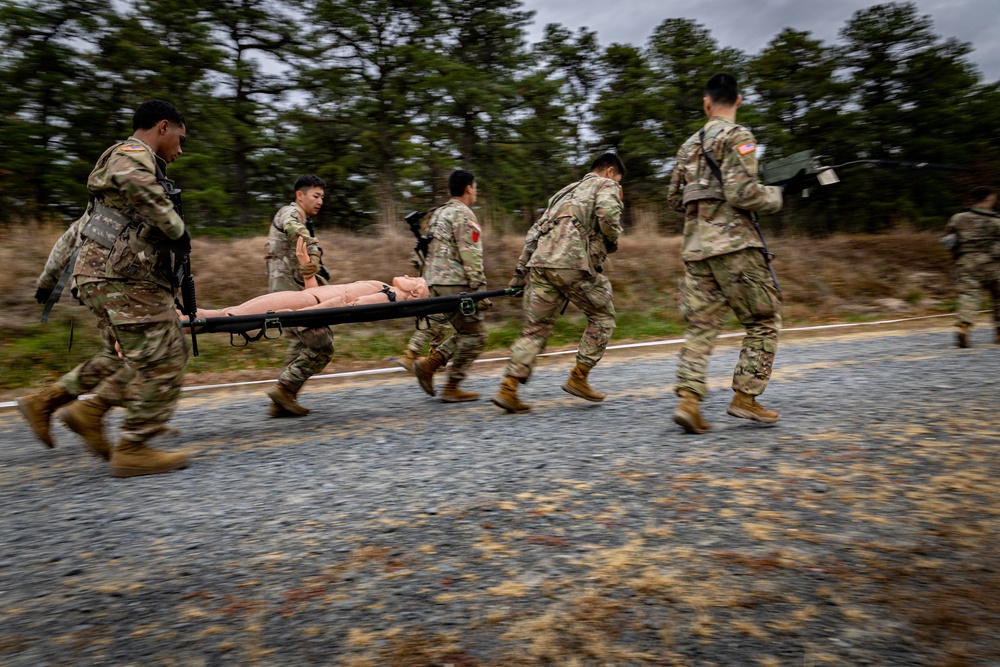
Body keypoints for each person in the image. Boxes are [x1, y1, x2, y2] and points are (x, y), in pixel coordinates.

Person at [17, 99, 192, 476]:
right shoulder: (132, 156)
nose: (180, 149)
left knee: (119, 357)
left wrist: (49, 279)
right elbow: (137, 186)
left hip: (102, 278)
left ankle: (47, 403)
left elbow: (79, 229)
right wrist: (176, 228)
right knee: (167, 356)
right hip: (121, 280)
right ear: (163, 127)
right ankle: (133, 444)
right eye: (180, 137)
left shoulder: (115, 183)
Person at [665, 73, 810, 435]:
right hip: (735, 247)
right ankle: (745, 398)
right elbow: (743, 195)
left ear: (706, 103)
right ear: (739, 101)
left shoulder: (688, 146)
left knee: (700, 326)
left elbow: (672, 200)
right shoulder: (739, 136)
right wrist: (777, 194)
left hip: (697, 249)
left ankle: (689, 402)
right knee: (763, 320)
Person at [492, 153, 625, 414]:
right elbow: (609, 216)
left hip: (540, 264)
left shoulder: (563, 192)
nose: (618, 186)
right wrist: (611, 242)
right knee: (602, 316)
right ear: (610, 171)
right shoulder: (606, 185)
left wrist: (520, 274)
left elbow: (534, 232)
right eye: (619, 180)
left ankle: (508, 388)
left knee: (536, 328)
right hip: (572, 264)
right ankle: (579, 377)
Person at [32, 215, 140, 458]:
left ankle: (43, 403)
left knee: (113, 355)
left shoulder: (101, 205)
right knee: (147, 353)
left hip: (97, 286)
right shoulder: (138, 198)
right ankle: (102, 418)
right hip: (121, 287)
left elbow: (68, 240)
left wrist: (47, 281)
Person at [410, 169, 491, 402]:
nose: (475, 192)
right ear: (469, 188)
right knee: (477, 336)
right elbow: (471, 255)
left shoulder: (437, 213)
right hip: (454, 283)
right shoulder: (464, 215)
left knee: (467, 331)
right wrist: (479, 291)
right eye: (475, 187)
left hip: (433, 282)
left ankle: (428, 365)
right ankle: (451, 385)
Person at [264, 174, 334, 417]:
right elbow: (296, 231)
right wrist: (313, 254)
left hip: (288, 290)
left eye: (322, 197)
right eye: (316, 196)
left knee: (298, 345)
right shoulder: (289, 213)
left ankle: (281, 401)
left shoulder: (303, 219)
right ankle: (284, 389)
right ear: (300, 196)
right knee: (322, 344)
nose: (320, 201)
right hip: (290, 292)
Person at [944, 186, 1000, 347]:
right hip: (994, 264)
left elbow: (949, 238)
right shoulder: (996, 220)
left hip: (966, 262)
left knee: (969, 296)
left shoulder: (957, 218)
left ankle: (963, 328)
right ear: (989, 199)